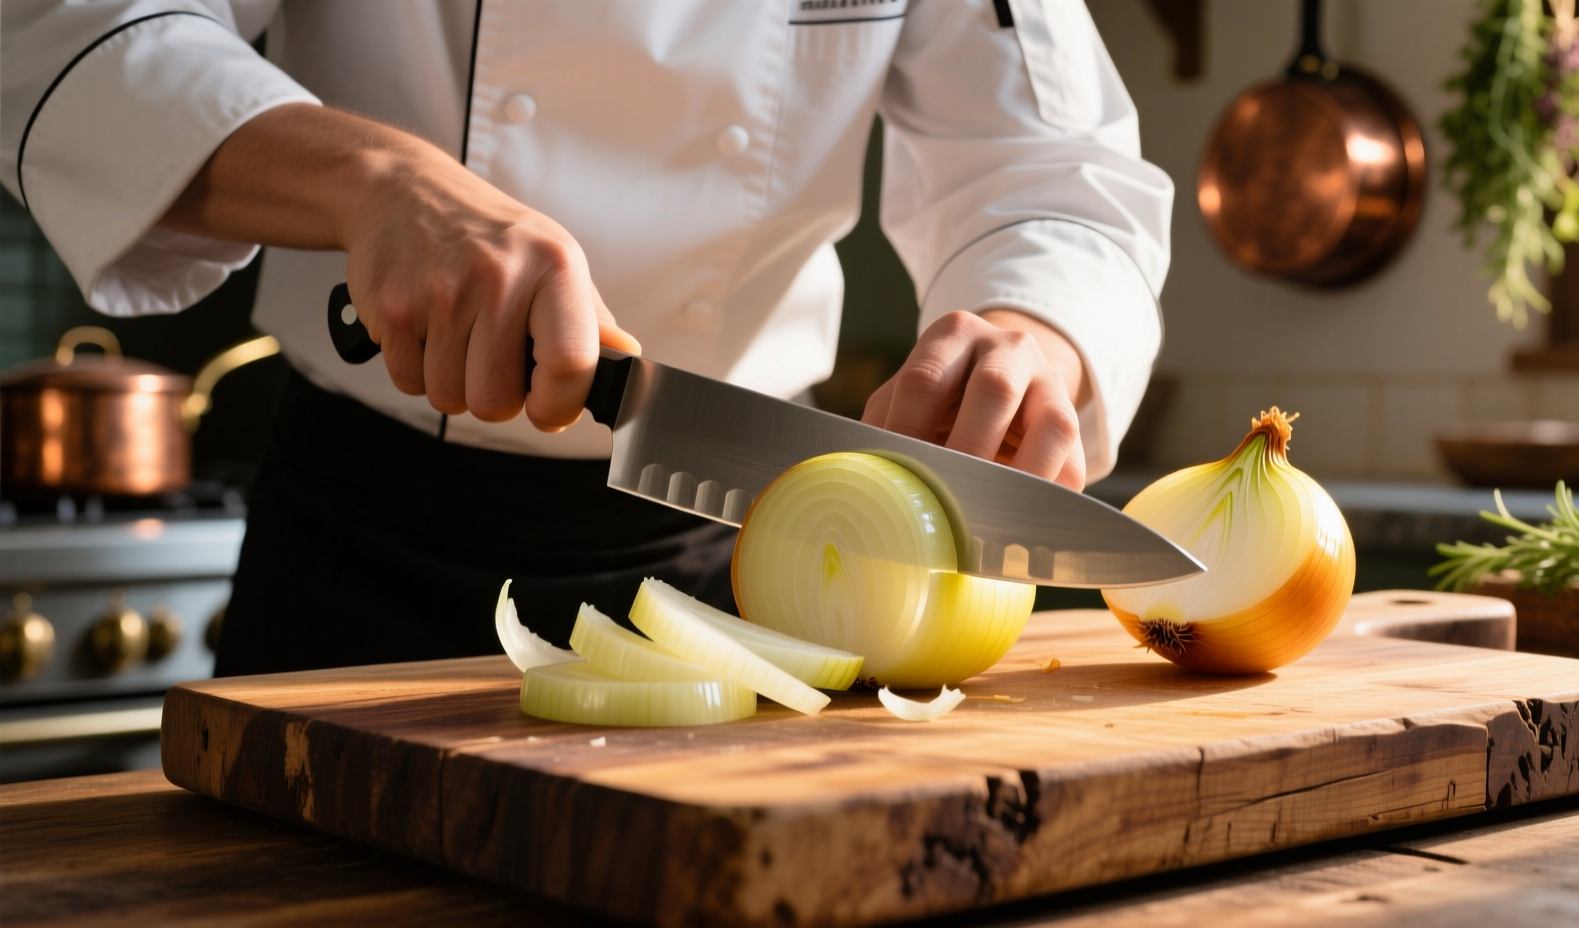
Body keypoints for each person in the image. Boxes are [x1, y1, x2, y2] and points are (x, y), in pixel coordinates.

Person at [1, 1, 1172, 675]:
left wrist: (1033, 328)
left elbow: (1054, 168)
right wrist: (380, 181)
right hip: (360, 561)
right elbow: (72, 29)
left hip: (744, 573)